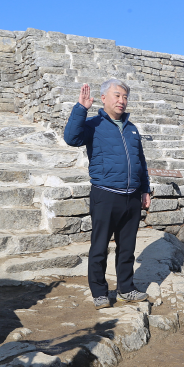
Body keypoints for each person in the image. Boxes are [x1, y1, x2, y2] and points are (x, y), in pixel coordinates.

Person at [64, 80, 152, 310]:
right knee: (100, 245)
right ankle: (100, 292)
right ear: (104, 98)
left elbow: (140, 161)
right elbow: (71, 139)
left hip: (132, 196)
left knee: (128, 247)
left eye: (125, 97)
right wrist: (80, 108)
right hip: (105, 194)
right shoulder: (93, 125)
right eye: (117, 95)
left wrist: (145, 189)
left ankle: (125, 288)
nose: (121, 101)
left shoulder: (132, 129)